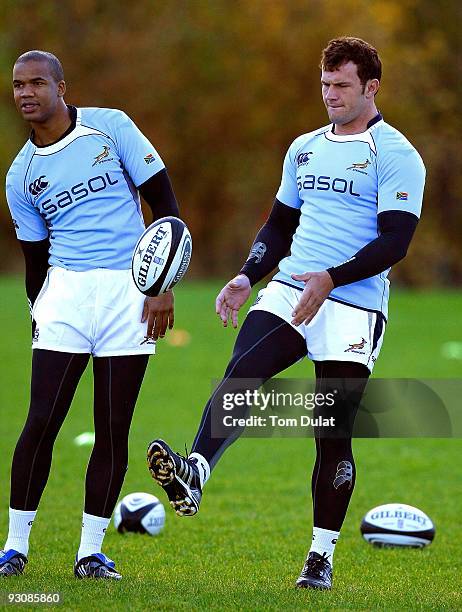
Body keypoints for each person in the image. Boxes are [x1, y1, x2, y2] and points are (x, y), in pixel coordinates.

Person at [147, 37, 425, 590]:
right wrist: (248, 276)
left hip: (354, 303)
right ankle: (195, 472)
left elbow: (397, 241)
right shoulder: (303, 148)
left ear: (371, 87)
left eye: (341, 85)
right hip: (291, 287)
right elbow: (279, 225)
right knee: (242, 374)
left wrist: (333, 278)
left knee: (333, 436)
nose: (330, 95)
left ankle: (319, 558)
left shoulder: (397, 155)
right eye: (324, 84)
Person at [0, 50, 180, 580]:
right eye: (17, 85)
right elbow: (35, 261)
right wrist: (39, 310)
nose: (26, 93)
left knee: (111, 428)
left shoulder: (110, 126)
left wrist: (162, 285)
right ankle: (14, 546)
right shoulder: (20, 174)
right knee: (41, 422)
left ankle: (90, 552)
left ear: (61, 86)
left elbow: (164, 202)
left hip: (131, 291)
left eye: (36, 82)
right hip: (66, 296)